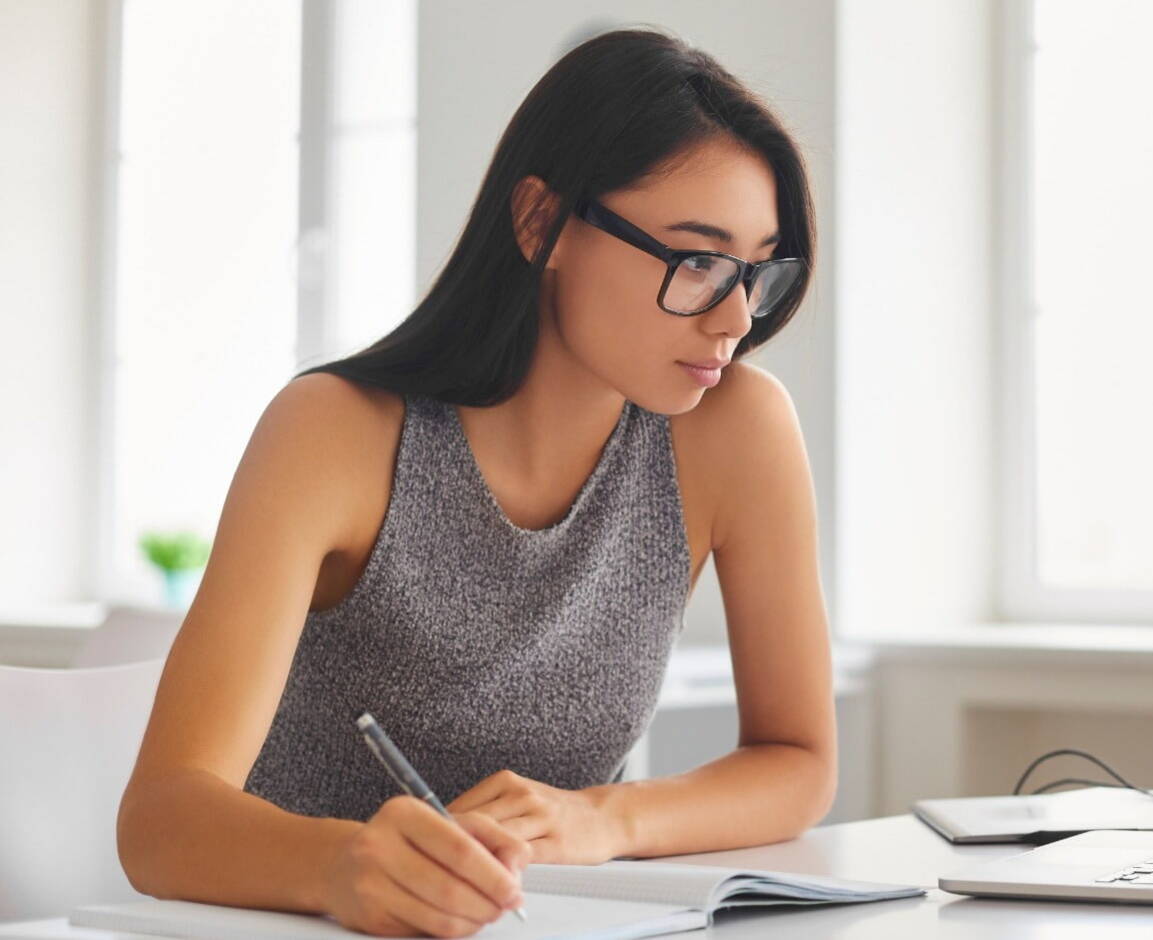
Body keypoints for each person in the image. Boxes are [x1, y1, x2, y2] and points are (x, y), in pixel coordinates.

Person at [114, 27, 835, 938]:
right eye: (695, 261)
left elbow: (798, 759)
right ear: (542, 223)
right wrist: (343, 866)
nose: (734, 317)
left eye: (756, 271)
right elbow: (160, 821)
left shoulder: (737, 430)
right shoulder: (335, 432)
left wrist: (603, 819)